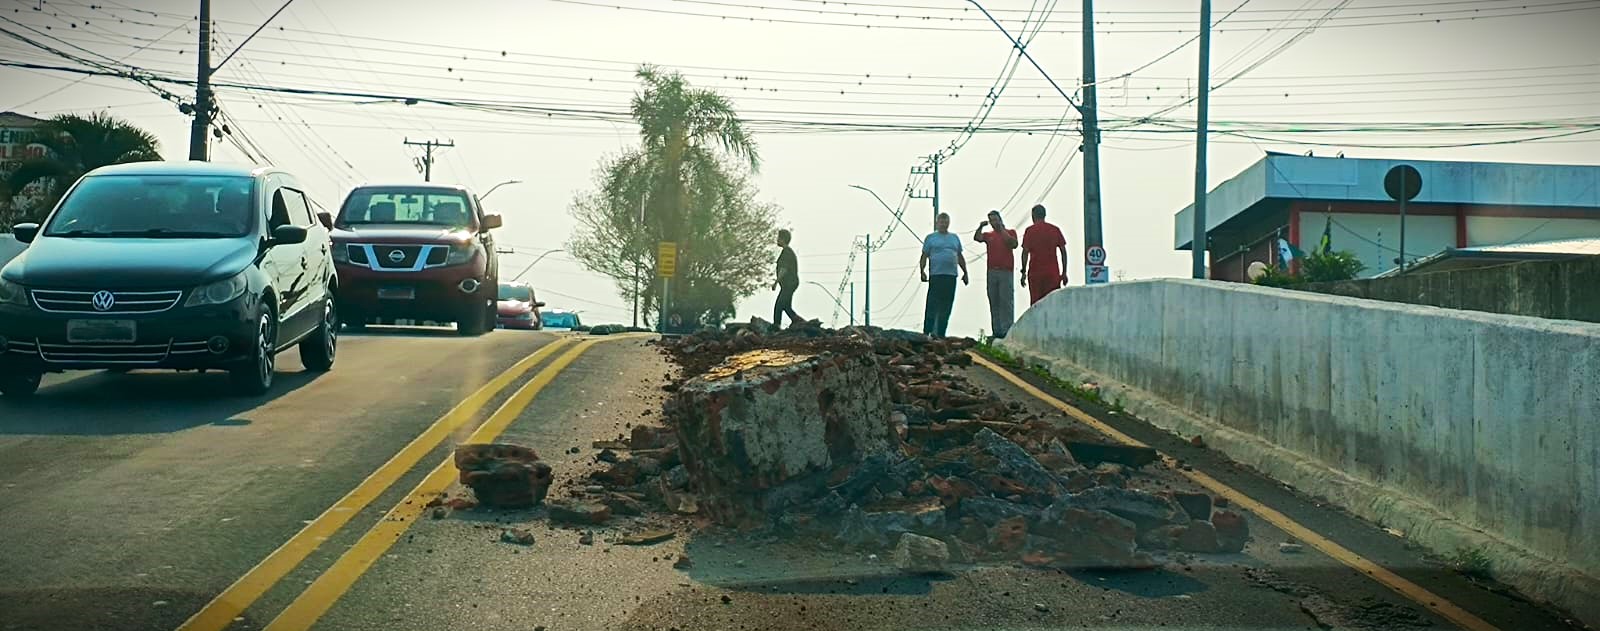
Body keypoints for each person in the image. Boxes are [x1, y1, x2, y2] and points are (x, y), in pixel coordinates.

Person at [919, 212, 968, 337]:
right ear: (937, 223)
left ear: (949, 223)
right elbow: (924, 256)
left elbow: (959, 256)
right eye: (941, 222)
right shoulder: (931, 238)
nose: (943, 224)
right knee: (932, 304)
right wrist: (922, 271)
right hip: (936, 275)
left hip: (950, 276)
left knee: (946, 305)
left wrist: (965, 272)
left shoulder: (954, 238)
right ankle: (927, 332)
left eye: (945, 222)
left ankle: (941, 333)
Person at [973, 209, 1019, 339]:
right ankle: (997, 331)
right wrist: (980, 227)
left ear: (1000, 219)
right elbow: (977, 238)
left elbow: (1013, 244)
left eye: (995, 219)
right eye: (991, 220)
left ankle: (1007, 330)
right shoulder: (989, 235)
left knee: (1006, 301)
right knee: (994, 300)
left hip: (1006, 271)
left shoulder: (1010, 232)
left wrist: (1001, 230)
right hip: (992, 271)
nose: (994, 222)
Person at [1020, 203, 1068, 305]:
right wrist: (1064, 273)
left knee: (1036, 305)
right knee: (1052, 303)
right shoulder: (1054, 229)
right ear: (1044, 215)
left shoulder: (1030, 231)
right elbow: (1063, 251)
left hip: (1035, 273)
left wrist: (1023, 271)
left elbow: (1025, 253)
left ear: (1033, 216)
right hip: (1052, 272)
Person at [772, 228, 804, 328]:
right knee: (786, 305)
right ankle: (798, 321)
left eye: (779, 238)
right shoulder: (787, 252)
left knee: (779, 305)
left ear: (783, 239)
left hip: (789, 284)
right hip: (789, 284)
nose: (777, 240)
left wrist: (776, 282)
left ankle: (776, 326)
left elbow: (784, 269)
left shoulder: (787, 252)